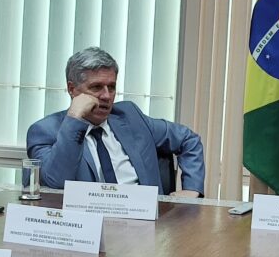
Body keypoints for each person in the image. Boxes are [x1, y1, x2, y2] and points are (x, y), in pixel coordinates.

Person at [27, 47, 205, 196]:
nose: (106, 96)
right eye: (96, 87)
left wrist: (192, 189)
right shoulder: (45, 131)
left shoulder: (130, 117)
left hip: (147, 225)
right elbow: (56, 183)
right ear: (72, 89)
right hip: (88, 228)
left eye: (111, 87)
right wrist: (74, 118)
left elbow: (188, 140)